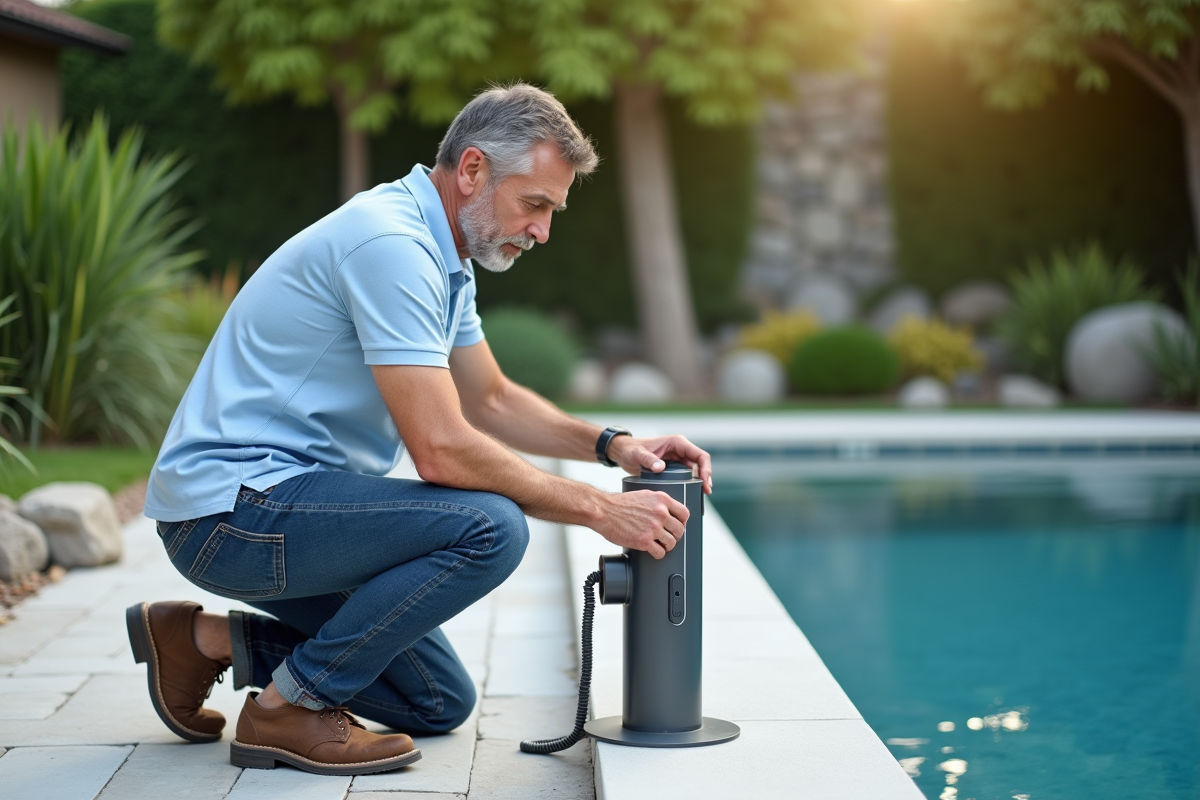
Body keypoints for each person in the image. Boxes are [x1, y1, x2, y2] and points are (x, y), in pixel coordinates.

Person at [128, 83, 713, 777]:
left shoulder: (443, 258)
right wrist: (599, 508)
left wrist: (611, 444)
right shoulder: (392, 245)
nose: (543, 231)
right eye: (534, 204)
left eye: (551, 211)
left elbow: (491, 399)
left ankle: (198, 640)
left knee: (436, 700)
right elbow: (441, 448)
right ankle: (286, 711)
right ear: (472, 171)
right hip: (231, 514)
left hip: (285, 507)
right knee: (492, 527)